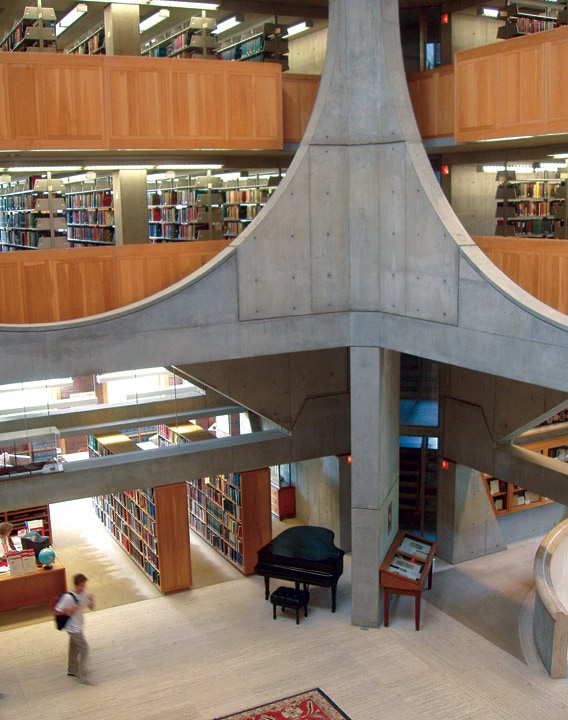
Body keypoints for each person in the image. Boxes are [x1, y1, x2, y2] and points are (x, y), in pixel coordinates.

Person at [54, 573, 95, 685]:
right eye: (80, 585)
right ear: (75, 585)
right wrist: (71, 609)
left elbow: (91, 608)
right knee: (84, 649)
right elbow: (57, 611)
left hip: (79, 625)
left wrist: (92, 600)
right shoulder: (68, 597)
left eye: (84, 585)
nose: (82, 588)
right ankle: (82, 672)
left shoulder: (84, 594)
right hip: (72, 627)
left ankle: (72, 670)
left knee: (73, 648)